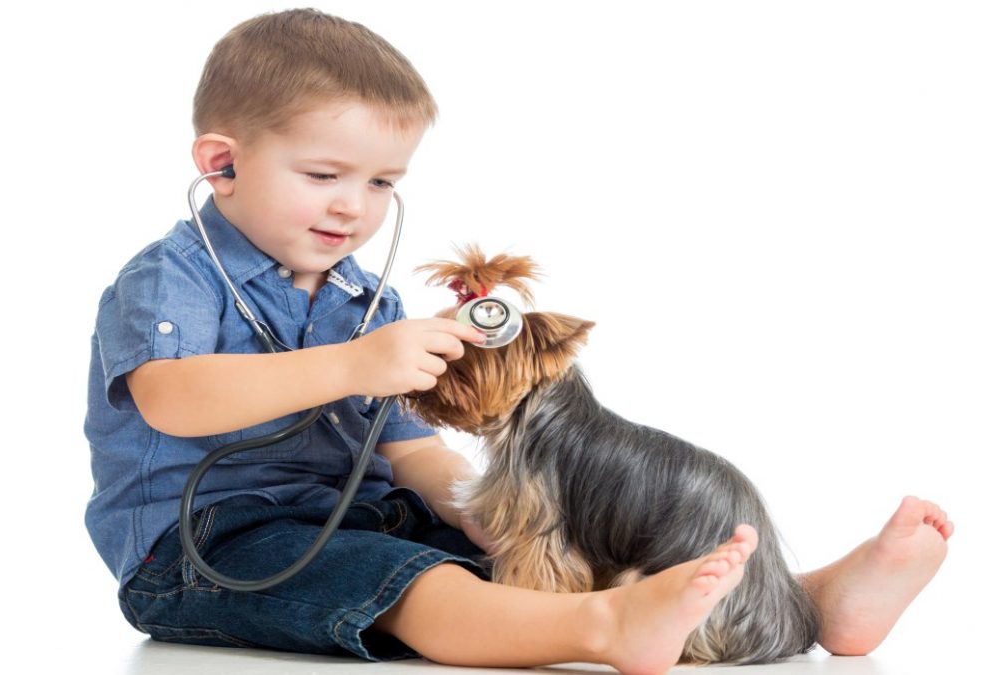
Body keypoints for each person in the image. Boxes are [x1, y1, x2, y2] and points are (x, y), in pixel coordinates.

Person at [85, 9, 953, 672]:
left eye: (382, 182)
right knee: (418, 587)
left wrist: (473, 505)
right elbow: (173, 398)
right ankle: (603, 627)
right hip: (211, 549)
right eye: (323, 174)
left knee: (536, 551)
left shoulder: (365, 299)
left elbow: (407, 447)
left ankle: (798, 603)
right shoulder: (173, 278)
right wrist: (352, 364)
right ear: (221, 163)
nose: (354, 205)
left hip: (368, 518)